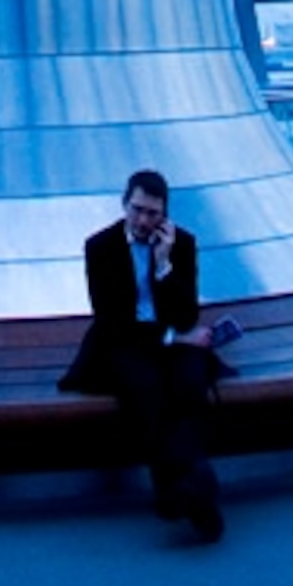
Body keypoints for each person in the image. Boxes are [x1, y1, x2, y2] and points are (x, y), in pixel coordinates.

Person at [60, 170, 226, 542]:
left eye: (152, 213)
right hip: (122, 341)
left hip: (171, 338)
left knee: (191, 384)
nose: (143, 221)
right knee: (146, 389)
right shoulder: (100, 247)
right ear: (124, 204)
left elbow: (187, 315)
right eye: (137, 210)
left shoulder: (181, 244)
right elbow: (110, 318)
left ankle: (178, 491)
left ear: (164, 214)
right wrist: (172, 337)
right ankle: (193, 485)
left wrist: (165, 265)